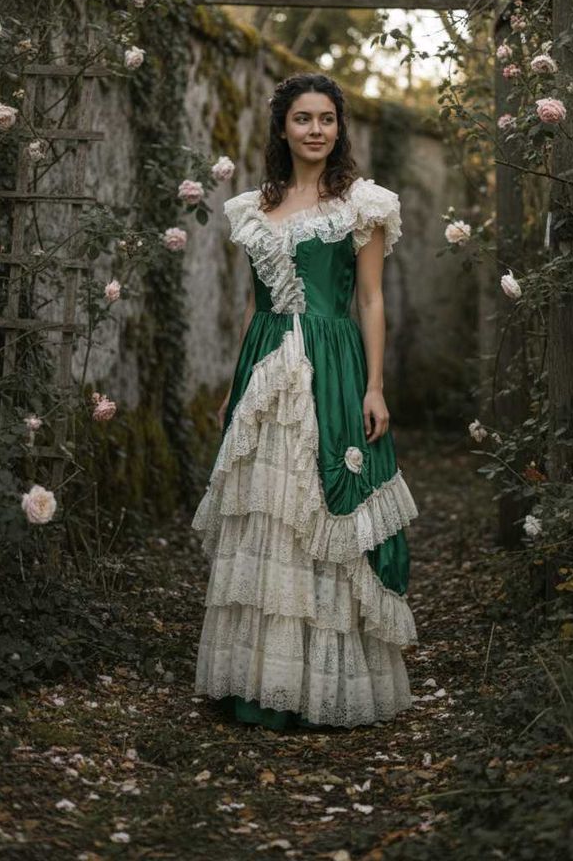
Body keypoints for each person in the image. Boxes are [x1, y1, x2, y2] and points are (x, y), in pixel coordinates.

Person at [191, 72, 420, 730]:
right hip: (267, 367)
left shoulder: (363, 204)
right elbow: (252, 305)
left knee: (321, 507)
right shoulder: (253, 208)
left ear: (338, 127)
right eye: (302, 119)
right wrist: (238, 388)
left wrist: (375, 386)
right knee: (267, 511)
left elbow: (371, 299)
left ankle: (324, 686)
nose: (315, 129)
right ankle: (258, 683)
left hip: (333, 366)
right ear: (283, 128)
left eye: (326, 118)